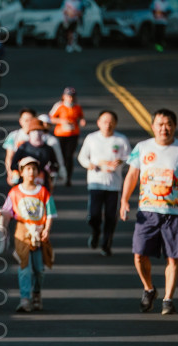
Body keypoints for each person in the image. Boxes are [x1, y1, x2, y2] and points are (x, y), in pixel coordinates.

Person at [120, 109, 178, 315]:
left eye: (168, 124)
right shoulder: (142, 147)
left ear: (174, 126)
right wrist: (124, 200)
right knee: (139, 255)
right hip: (147, 211)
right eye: (160, 124)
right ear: (152, 126)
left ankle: (168, 299)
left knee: (173, 258)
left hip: (174, 212)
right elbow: (132, 175)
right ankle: (149, 289)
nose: (164, 128)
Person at [0, 157, 56, 312]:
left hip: (39, 233)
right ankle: (25, 299)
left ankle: (36, 294)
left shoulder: (43, 192)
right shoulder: (15, 192)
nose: (31, 172)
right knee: (24, 266)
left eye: (34, 169)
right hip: (22, 231)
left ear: (38, 172)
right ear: (21, 172)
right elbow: (8, 211)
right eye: (27, 169)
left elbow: (50, 213)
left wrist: (46, 230)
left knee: (39, 269)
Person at [77, 110, 131, 256]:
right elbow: (82, 157)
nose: (108, 125)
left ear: (115, 123)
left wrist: (121, 161)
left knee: (110, 216)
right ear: (98, 123)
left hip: (114, 184)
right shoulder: (92, 138)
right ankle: (96, 232)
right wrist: (90, 164)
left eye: (111, 122)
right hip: (96, 182)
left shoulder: (121, 140)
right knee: (94, 215)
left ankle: (106, 244)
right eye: (105, 122)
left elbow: (130, 158)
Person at [49, 86, 86, 187]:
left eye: (72, 96)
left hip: (73, 135)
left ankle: (68, 178)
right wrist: (61, 121)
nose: (70, 98)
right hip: (60, 135)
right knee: (59, 155)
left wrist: (82, 121)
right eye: (68, 96)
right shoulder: (59, 106)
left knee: (69, 156)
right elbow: (50, 118)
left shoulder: (77, 107)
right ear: (64, 96)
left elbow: (81, 116)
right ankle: (56, 175)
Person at [11, 118, 59, 192]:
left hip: (43, 184)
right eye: (34, 131)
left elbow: (55, 165)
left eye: (39, 130)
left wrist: (49, 169)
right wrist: (25, 168)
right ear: (29, 133)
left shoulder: (48, 149)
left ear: (43, 132)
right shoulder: (23, 147)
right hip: (25, 184)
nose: (37, 133)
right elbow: (13, 165)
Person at [3, 107, 36, 186]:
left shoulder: (39, 136)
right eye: (26, 120)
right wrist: (10, 173)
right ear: (20, 121)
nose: (28, 123)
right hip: (17, 171)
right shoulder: (13, 136)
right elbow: (9, 157)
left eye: (31, 120)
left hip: (34, 172)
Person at [38, 113, 67, 185]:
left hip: (49, 170)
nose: (45, 125)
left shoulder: (53, 140)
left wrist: (62, 169)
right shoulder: (31, 137)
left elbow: (58, 155)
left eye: (47, 124)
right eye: (42, 123)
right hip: (35, 169)